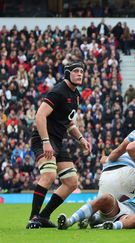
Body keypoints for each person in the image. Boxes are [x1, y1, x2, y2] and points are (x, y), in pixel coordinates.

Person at [26, 62, 92, 229]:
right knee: (49, 175)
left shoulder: (76, 95)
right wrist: (46, 141)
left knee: (71, 182)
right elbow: (40, 115)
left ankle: (44, 216)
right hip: (44, 139)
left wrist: (81, 138)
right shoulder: (58, 91)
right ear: (67, 73)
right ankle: (33, 218)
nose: (80, 74)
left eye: (82, 72)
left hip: (58, 141)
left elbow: (69, 123)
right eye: (76, 71)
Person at [57, 193, 135, 230]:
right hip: (122, 208)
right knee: (106, 197)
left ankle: (111, 226)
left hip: (127, 218)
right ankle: (69, 221)